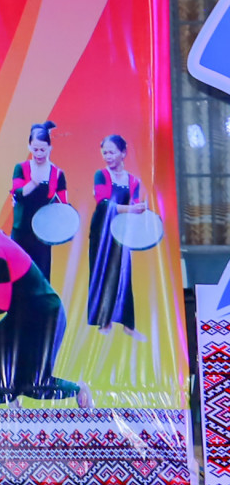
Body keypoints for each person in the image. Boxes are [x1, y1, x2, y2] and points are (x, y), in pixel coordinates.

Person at [0, 185, 91, 409]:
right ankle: (11, 411)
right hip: (22, 314)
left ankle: (79, 390)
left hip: (44, 316)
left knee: (35, 385)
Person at [87, 134, 148, 337]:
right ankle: (103, 323)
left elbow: (135, 203)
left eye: (112, 152)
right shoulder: (101, 175)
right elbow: (103, 204)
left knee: (123, 275)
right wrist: (131, 210)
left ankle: (128, 325)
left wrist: (139, 208)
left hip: (122, 233)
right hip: (101, 232)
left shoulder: (133, 181)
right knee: (102, 273)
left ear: (123, 153)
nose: (108, 156)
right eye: (105, 152)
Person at [9, 122, 70, 278]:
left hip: (42, 235)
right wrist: (34, 183)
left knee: (41, 277)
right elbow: (18, 193)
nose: (39, 153)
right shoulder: (21, 168)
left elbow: (62, 204)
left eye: (43, 149)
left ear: (50, 148)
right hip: (21, 232)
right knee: (17, 276)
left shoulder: (57, 173)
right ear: (29, 146)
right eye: (35, 149)